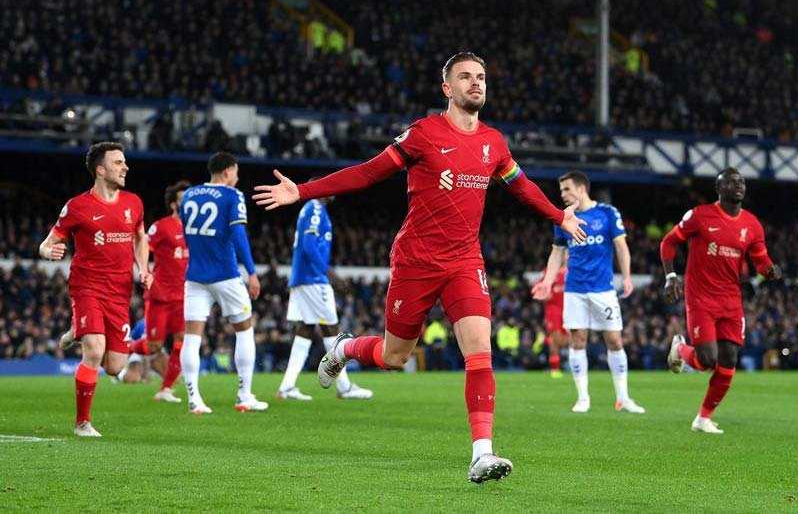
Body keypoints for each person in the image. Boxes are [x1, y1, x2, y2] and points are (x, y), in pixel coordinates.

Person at [253, 52, 587, 483]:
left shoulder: (494, 143)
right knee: (395, 356)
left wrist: (559, 216)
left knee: (478, 349)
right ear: (447, 88)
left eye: (481, 77)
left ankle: (481, 452)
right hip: (416, 260)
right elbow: (368, 173)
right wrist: (302, 190)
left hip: (466, 260)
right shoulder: (423, 134)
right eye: (466, 77)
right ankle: (345, 348)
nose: (476, 84)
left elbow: (521, 187)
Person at [39, 142, 151, 437]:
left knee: (115, 366)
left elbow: (140, 238)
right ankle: (82, 423)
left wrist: (144, 268)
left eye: (124, 162)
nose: (125, 167)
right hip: (87, 285)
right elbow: (48, 242)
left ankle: (77, 330)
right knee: (95, 351)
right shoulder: (78, 207)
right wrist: (47, 251)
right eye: (118, 163)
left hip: (120, 291)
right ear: (100, 170)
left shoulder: (134, 203)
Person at [660, 167, 780, 433]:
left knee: (728, 361)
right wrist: (671, 276)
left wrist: (769, 270)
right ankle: (680, 349)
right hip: (701, 296)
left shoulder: (752, 225)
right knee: (707, 359)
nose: (738, 185)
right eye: (731, 182)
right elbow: (668, 242)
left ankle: (703, 418)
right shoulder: (700, 216)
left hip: (731, 300)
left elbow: (760, 260)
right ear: (719, 188)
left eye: (742, 182)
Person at [532, 171, 644, 414]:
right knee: (577, 339)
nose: (563, 195)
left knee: (614, 340)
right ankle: (583, 398)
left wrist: (626, 277)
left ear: (581, 189)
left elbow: (621, 247)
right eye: (561, 190)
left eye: (567, 189)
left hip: (603, 289)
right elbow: (557, 253)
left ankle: (623, 397)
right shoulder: (562, 219)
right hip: (575, 289)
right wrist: (548, 282)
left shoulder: (607, 213)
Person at [179, 152, 267, 414]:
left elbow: (186, 231)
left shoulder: (189, 195)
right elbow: (239, 235)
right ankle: (244, 395)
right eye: (236, 172)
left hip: (195, 276)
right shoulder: (233, 196)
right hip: (226, 275)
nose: (237, 178)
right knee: (244, 329)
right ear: (228, 171)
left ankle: (194, 399)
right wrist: (251, 272)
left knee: (192, 337)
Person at [276, 194, 373, 401]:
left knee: (306, 330)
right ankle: (345, 386)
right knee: (331, 329)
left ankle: (286, 386)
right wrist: (330, 274)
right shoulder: (315, 208)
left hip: (302, 278)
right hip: (313, 279)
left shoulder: (310, 209)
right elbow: (309, 245)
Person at [125, 181, 190, 402]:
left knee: (183, 340)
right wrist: (143, 271)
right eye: (183, 199)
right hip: (160, 295)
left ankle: (166, 389)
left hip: (184, 297)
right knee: (154, 346)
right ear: (173, 205)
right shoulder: (161, 227)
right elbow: (143, 247)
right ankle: (121, 347)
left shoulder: (197, 229)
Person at [532, 263, 567, 378]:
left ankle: (574, 364)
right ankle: (555, 369)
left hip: (569, 309)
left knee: (567, 339)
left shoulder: (573, 269)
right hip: (553, 311)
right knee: (555, 339)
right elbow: (538, 288)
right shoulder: (550, 271)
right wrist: (544, 294)